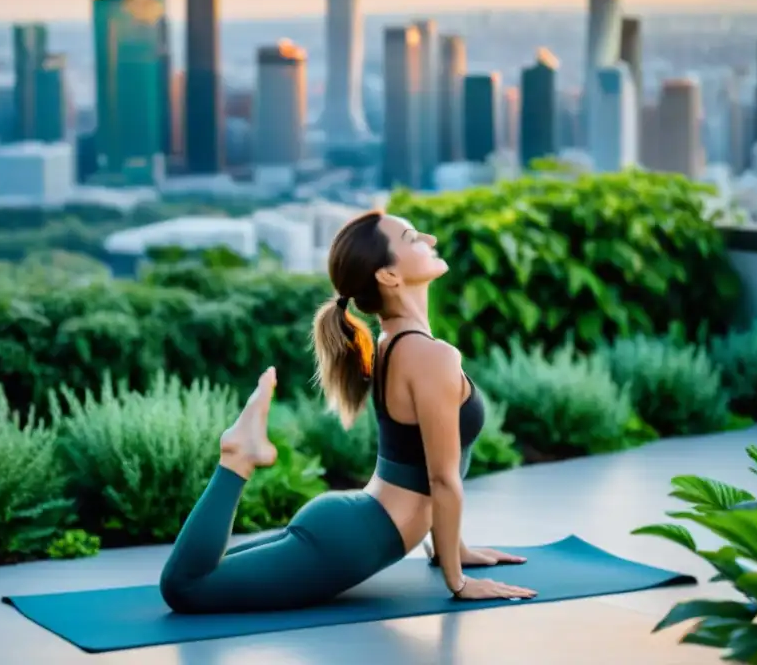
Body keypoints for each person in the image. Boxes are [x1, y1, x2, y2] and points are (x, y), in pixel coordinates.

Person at [159, 210, 538, 614]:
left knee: (203, 573)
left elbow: (421, 461)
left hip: (353, 523)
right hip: (354, 540)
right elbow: (441, 479)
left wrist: (454, 549)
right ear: (388, 276)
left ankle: (240, 454)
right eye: (411, 237)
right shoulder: (428, 355)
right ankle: (237, 457)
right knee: (187, 587)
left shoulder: (393, 343)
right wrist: (457, 583)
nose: (429, 238)